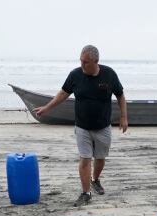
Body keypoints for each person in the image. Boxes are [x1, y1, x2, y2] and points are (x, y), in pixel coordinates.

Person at [34, 45, 128, 207]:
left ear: (95, 61)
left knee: (100, 158)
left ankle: (95, 180)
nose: (82, 64)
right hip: (82, 126)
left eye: (85, 62)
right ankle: (86, 193)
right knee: (85, 159)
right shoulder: (75, 75)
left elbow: (120, 95)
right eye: (81, 61)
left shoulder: (109, 74)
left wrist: (124, 117)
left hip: (103, 126)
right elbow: (63, 93)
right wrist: (46, 107)